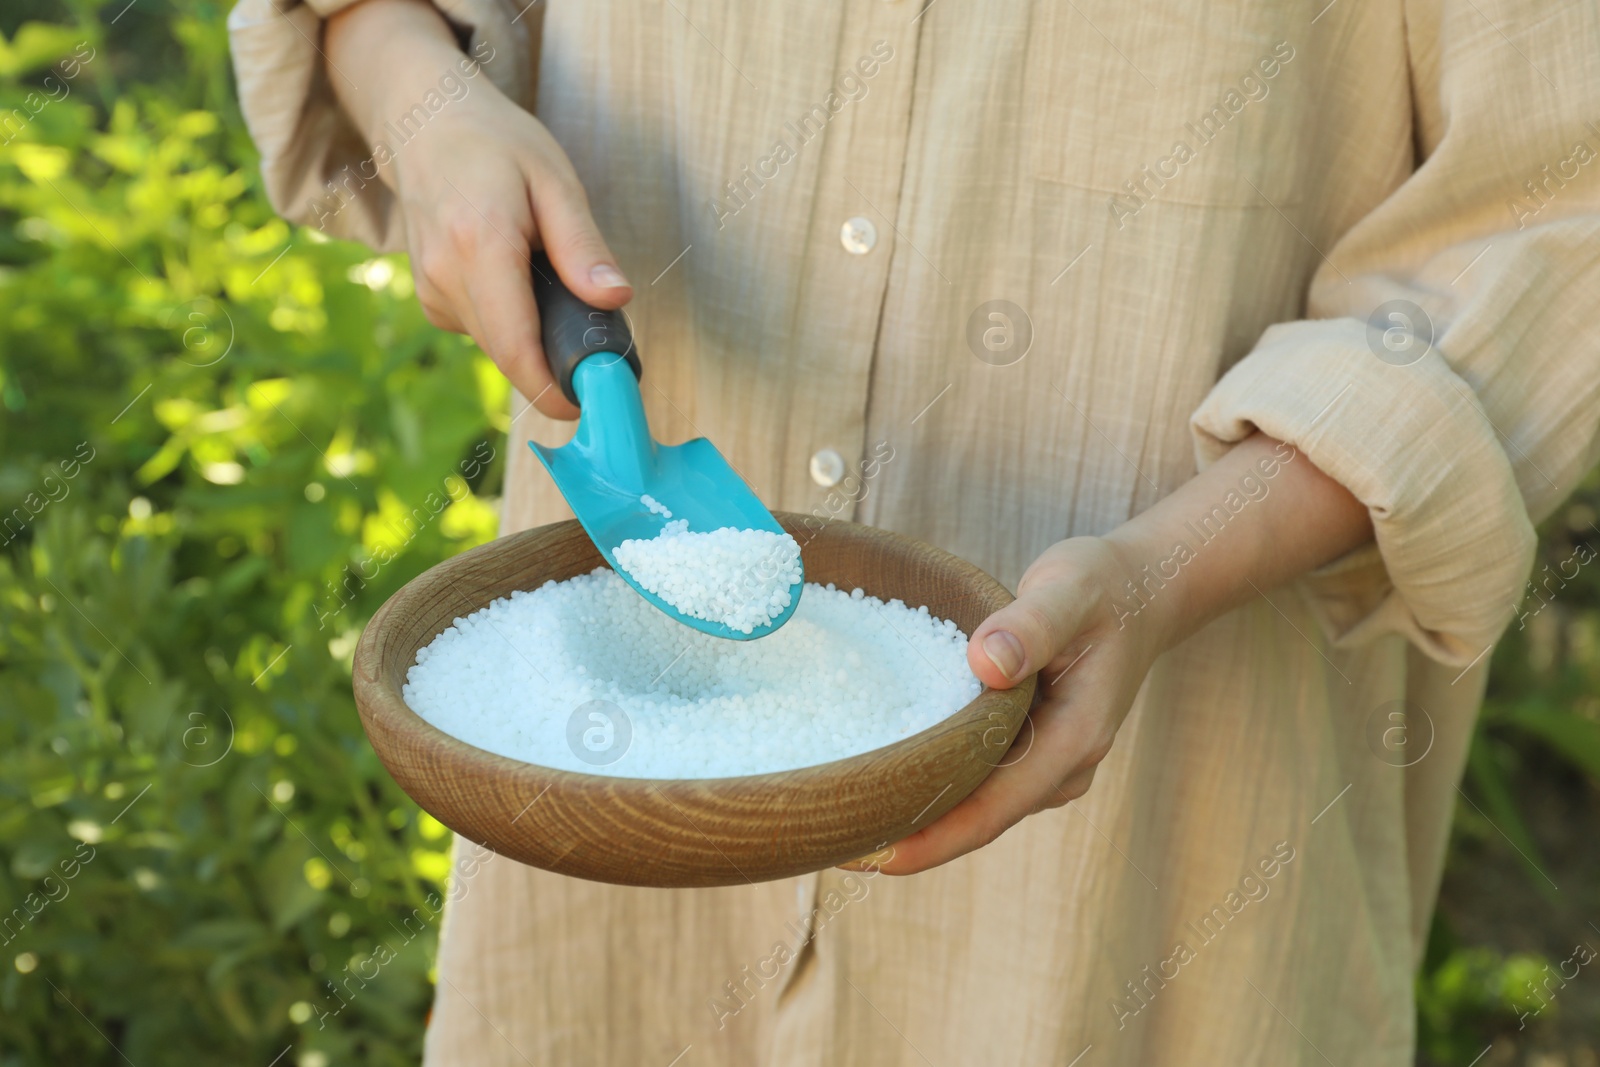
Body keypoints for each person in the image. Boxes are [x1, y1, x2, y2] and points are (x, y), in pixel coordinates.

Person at [229, 0, 1600, 1062]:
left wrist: (1164, 571)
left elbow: (1548, 225)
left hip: (1155, 855)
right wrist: (435, 108)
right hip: (614, 839)